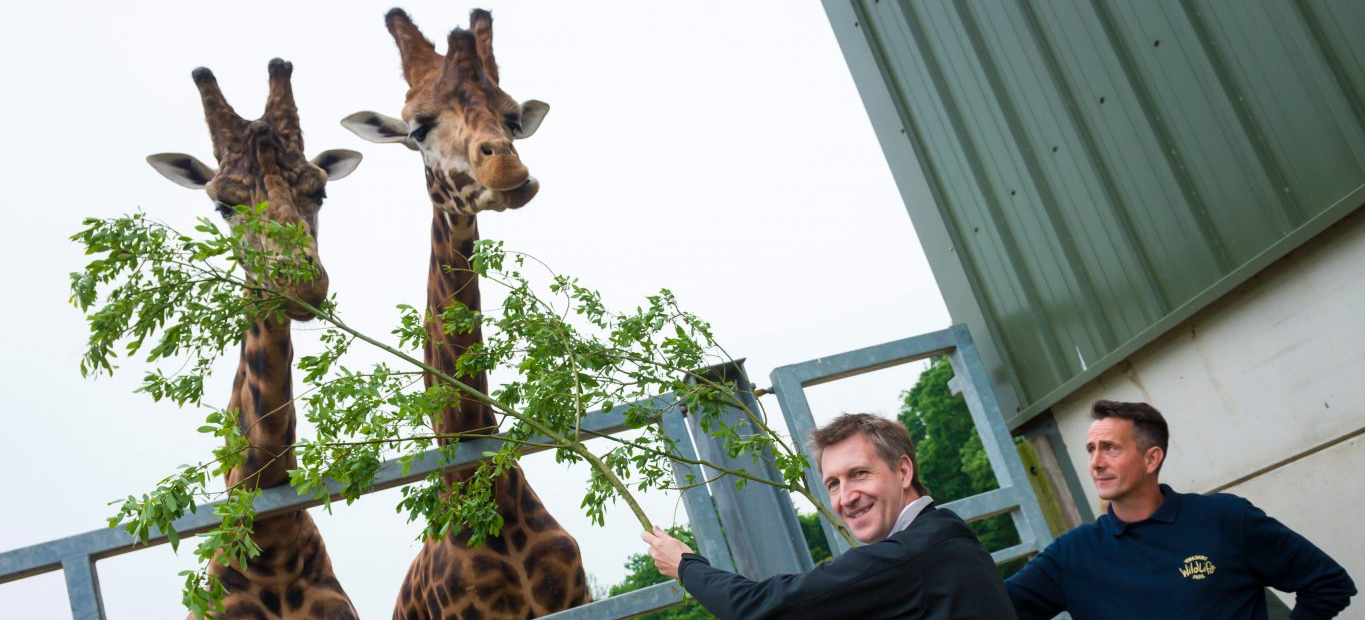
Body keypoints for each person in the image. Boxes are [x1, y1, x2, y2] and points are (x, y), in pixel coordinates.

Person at [641, 413, 1016, 620]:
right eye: (833, 484)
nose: (846, 497)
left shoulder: (910, 556)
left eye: (859, 474)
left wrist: (685, 566)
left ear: (903, 472)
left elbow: (760, 609)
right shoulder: (944, 535)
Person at [1006, 400, 1356, 619]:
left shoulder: (1224, 519)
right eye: (1090, 449)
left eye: (1109, 448)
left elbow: (1328, 583)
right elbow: (986, 608)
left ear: (1151, 458)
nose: (1095, 463)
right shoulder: (1071, 556)